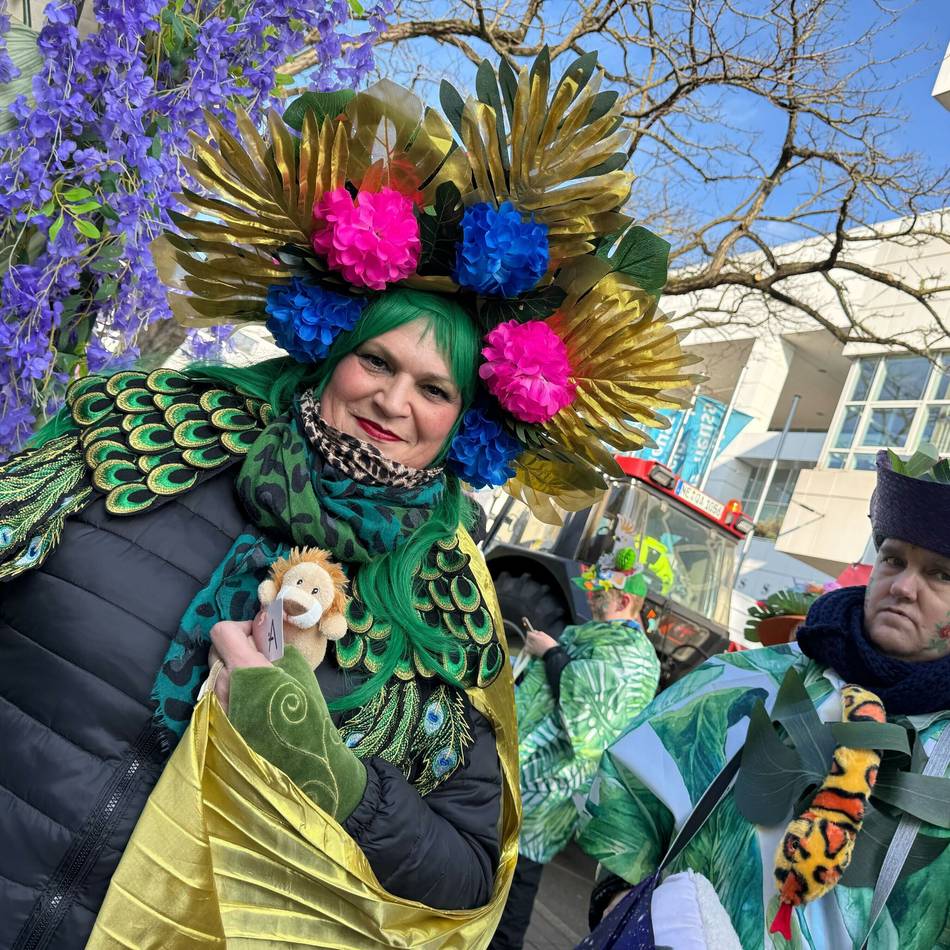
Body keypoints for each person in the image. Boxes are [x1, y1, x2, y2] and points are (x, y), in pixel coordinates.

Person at [0, 50, 698, 950]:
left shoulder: (446, 614)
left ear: (463, 422)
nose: (394, 401)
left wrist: (323, 767)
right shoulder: (140, 446)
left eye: (434, 390)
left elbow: (465, 874)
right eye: (377, 361)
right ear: (333, 353)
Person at [578, 447, 950, 950]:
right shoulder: (745, 681)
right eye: (893, 559)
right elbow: (629, 803)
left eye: (940, 574)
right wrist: (624, 908)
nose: (904, 586)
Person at [490, 559, 660, 950]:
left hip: (555, 778)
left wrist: (550, 652)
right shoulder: (607, 639)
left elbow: (590, 714)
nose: (593, 599)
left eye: (601, 594)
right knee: (500, 860)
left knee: (519, 873)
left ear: (623, 599)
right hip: (541, 768)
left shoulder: (633, 656)